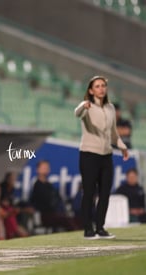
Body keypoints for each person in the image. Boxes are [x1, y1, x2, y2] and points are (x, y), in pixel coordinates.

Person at [74, 75, 129, 240]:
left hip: (106, 156)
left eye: (103, 85)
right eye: (97, 86)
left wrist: (121, 145)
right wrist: (84, 105)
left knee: (105, 193)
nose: (101, 88)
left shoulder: (111, 108)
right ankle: (87, 228)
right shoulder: (86, 107)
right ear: (91, 90)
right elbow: (77, 113)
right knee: (89, 192)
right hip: (89, 154)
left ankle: (100, 227)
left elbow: (113, 133)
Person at [30, 160, 80, 233]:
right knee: (66, 220)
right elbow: (42, 202)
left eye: (47, 167)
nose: (46, 169)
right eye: (44, 167)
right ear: (38, 169)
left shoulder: (49, 185)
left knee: (74, 219)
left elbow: (58, 198)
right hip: (46, 215)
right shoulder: (37, 185)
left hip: (56, 212)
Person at [0, 172, 30, 239]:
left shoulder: (12, 190)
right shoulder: (1, 189)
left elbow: (12, 203)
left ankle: (20, 230)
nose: (13, 181)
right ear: (7, 179)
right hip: (3, 212)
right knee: (10, 213)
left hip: (11, 212)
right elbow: (3, 204)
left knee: (23, 213)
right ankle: (15, 232)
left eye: (14, 179)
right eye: (11, 179)